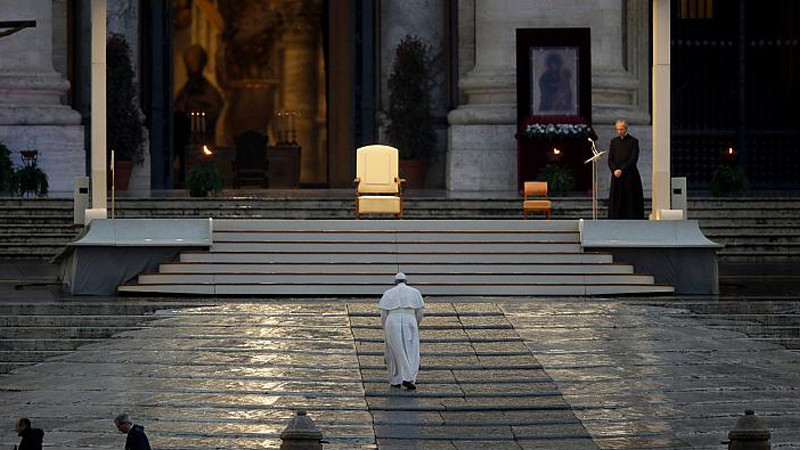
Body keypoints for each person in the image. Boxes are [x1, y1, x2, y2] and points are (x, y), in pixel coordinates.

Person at [379, 272, 425, 390]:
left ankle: (396, 379)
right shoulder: (415, 292)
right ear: (406, 281)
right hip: (410, 318)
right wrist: (415, 323)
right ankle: (408, 377)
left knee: (395, 350)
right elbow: (420, 312)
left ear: (395, 282)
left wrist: (385, 327)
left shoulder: (388, 293)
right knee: (411, 350)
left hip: (392, 319)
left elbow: (383, 313)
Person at [607, 119, 645, 219]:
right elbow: (610, 159)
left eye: (621, 129)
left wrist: (622, 170)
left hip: (629, 175)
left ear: (626, 128)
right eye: (618, 129)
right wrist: (614, 169)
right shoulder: (614, 141)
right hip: (616, 175)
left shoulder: (633, 141)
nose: (619, 131)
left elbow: (633, 158)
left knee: (630, 199)